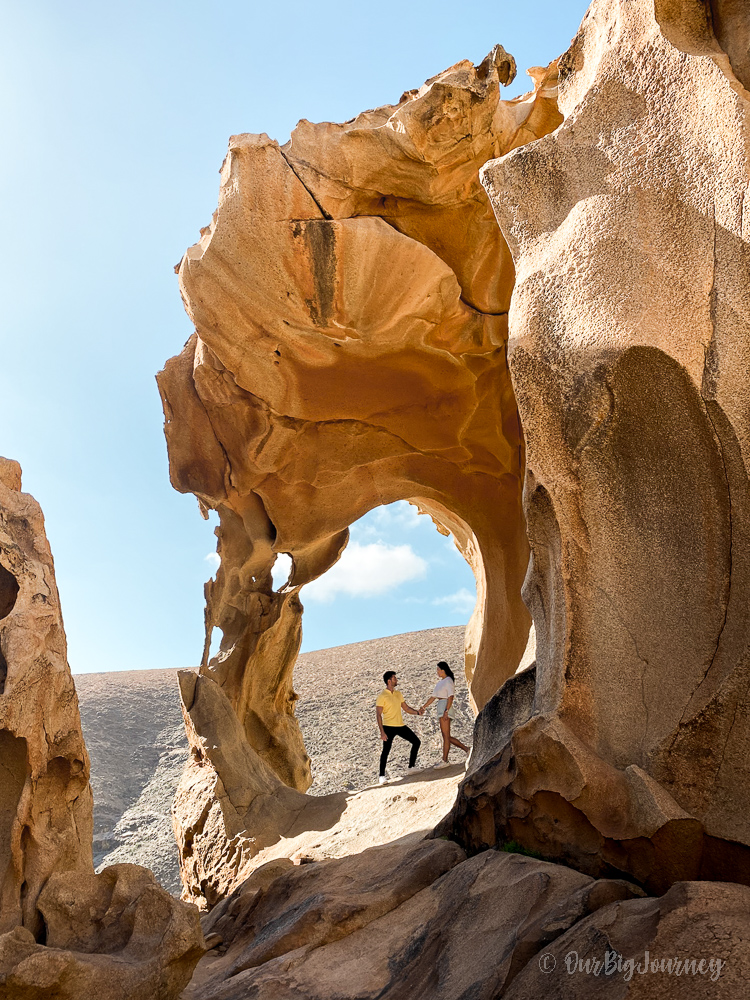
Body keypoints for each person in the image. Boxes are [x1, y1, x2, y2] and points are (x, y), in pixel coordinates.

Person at [375, 670, 422, 784]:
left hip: (400, 725)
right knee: (386, 751)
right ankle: (382, 776)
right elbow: (378, 714)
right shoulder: (382, 696)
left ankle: (411, 767)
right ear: (389, 681)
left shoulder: (398, 693)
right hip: (388, 727)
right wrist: (382, 732)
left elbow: (406, 708)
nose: (396, 680)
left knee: (416, 742)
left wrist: (417, 712)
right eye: (394, 678)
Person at [420, 661, 469, 768]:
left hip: (445, 707)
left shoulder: (448, 681)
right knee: (445, 736)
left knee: (446, 736)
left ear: (443, 670)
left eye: (438, 669)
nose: (437, 672)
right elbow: (433, 697)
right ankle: (467, 749)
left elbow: (451, 696)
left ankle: (445, 760)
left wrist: (446, 710)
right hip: (441, 707)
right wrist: (424, 707)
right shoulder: (440, 682)